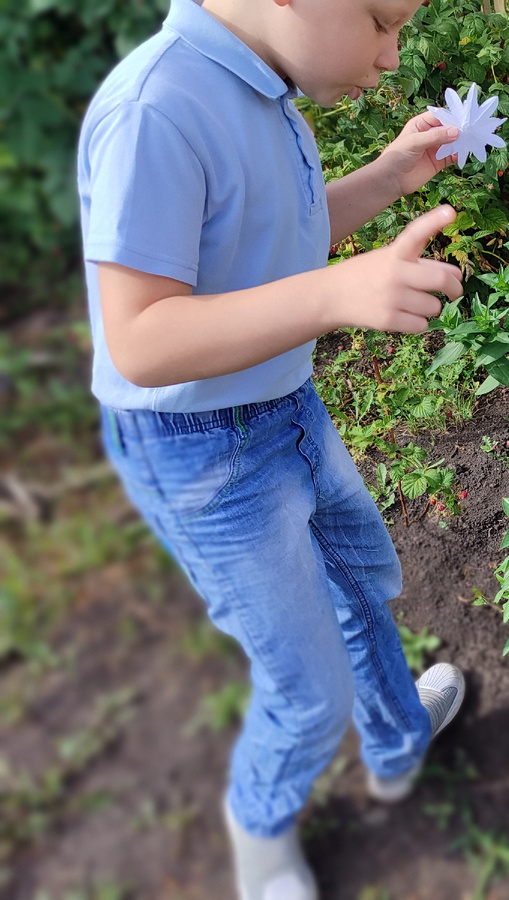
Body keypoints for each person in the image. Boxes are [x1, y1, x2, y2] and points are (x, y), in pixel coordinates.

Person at [76, 1, 469, 897]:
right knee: (306, 689)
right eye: (379, 20)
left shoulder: (263, 86)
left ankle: (400, 738)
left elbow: (271, 245)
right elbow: (138, 338)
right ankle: (260, 835)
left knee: (363, 577)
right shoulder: (158, 107)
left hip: (284, 406)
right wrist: (334, 297)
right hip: (199, 449)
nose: (391, 53)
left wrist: (386, 177)